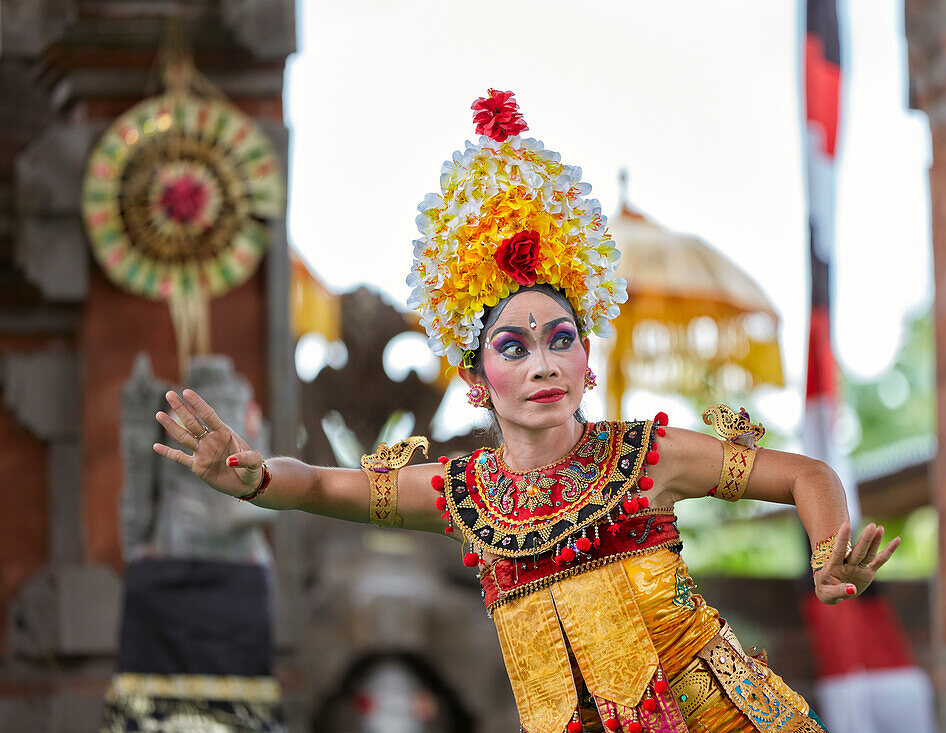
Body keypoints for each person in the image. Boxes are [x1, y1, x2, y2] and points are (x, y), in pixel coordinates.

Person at [153, 90, 900, 733]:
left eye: (561, 340)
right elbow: (319, 485)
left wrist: (829, 550)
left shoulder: (648, 457)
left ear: (584, 362)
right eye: (514, 346)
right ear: (478, 379)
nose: (543, 362)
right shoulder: (465, 497)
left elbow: (807, 473)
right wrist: (250, 477)